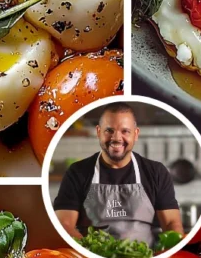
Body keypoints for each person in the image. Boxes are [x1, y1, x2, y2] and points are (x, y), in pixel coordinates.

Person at [53, 103, 183, 246]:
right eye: (109, 130)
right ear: (98, 132)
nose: (116, 138)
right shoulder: (77, 172)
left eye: (125, 131)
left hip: (145, 257)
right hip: (93, 257)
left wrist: (171, 250)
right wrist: (91, 252)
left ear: (136, 134)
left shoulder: (156, 172)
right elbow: (64, 225)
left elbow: (172, 222)